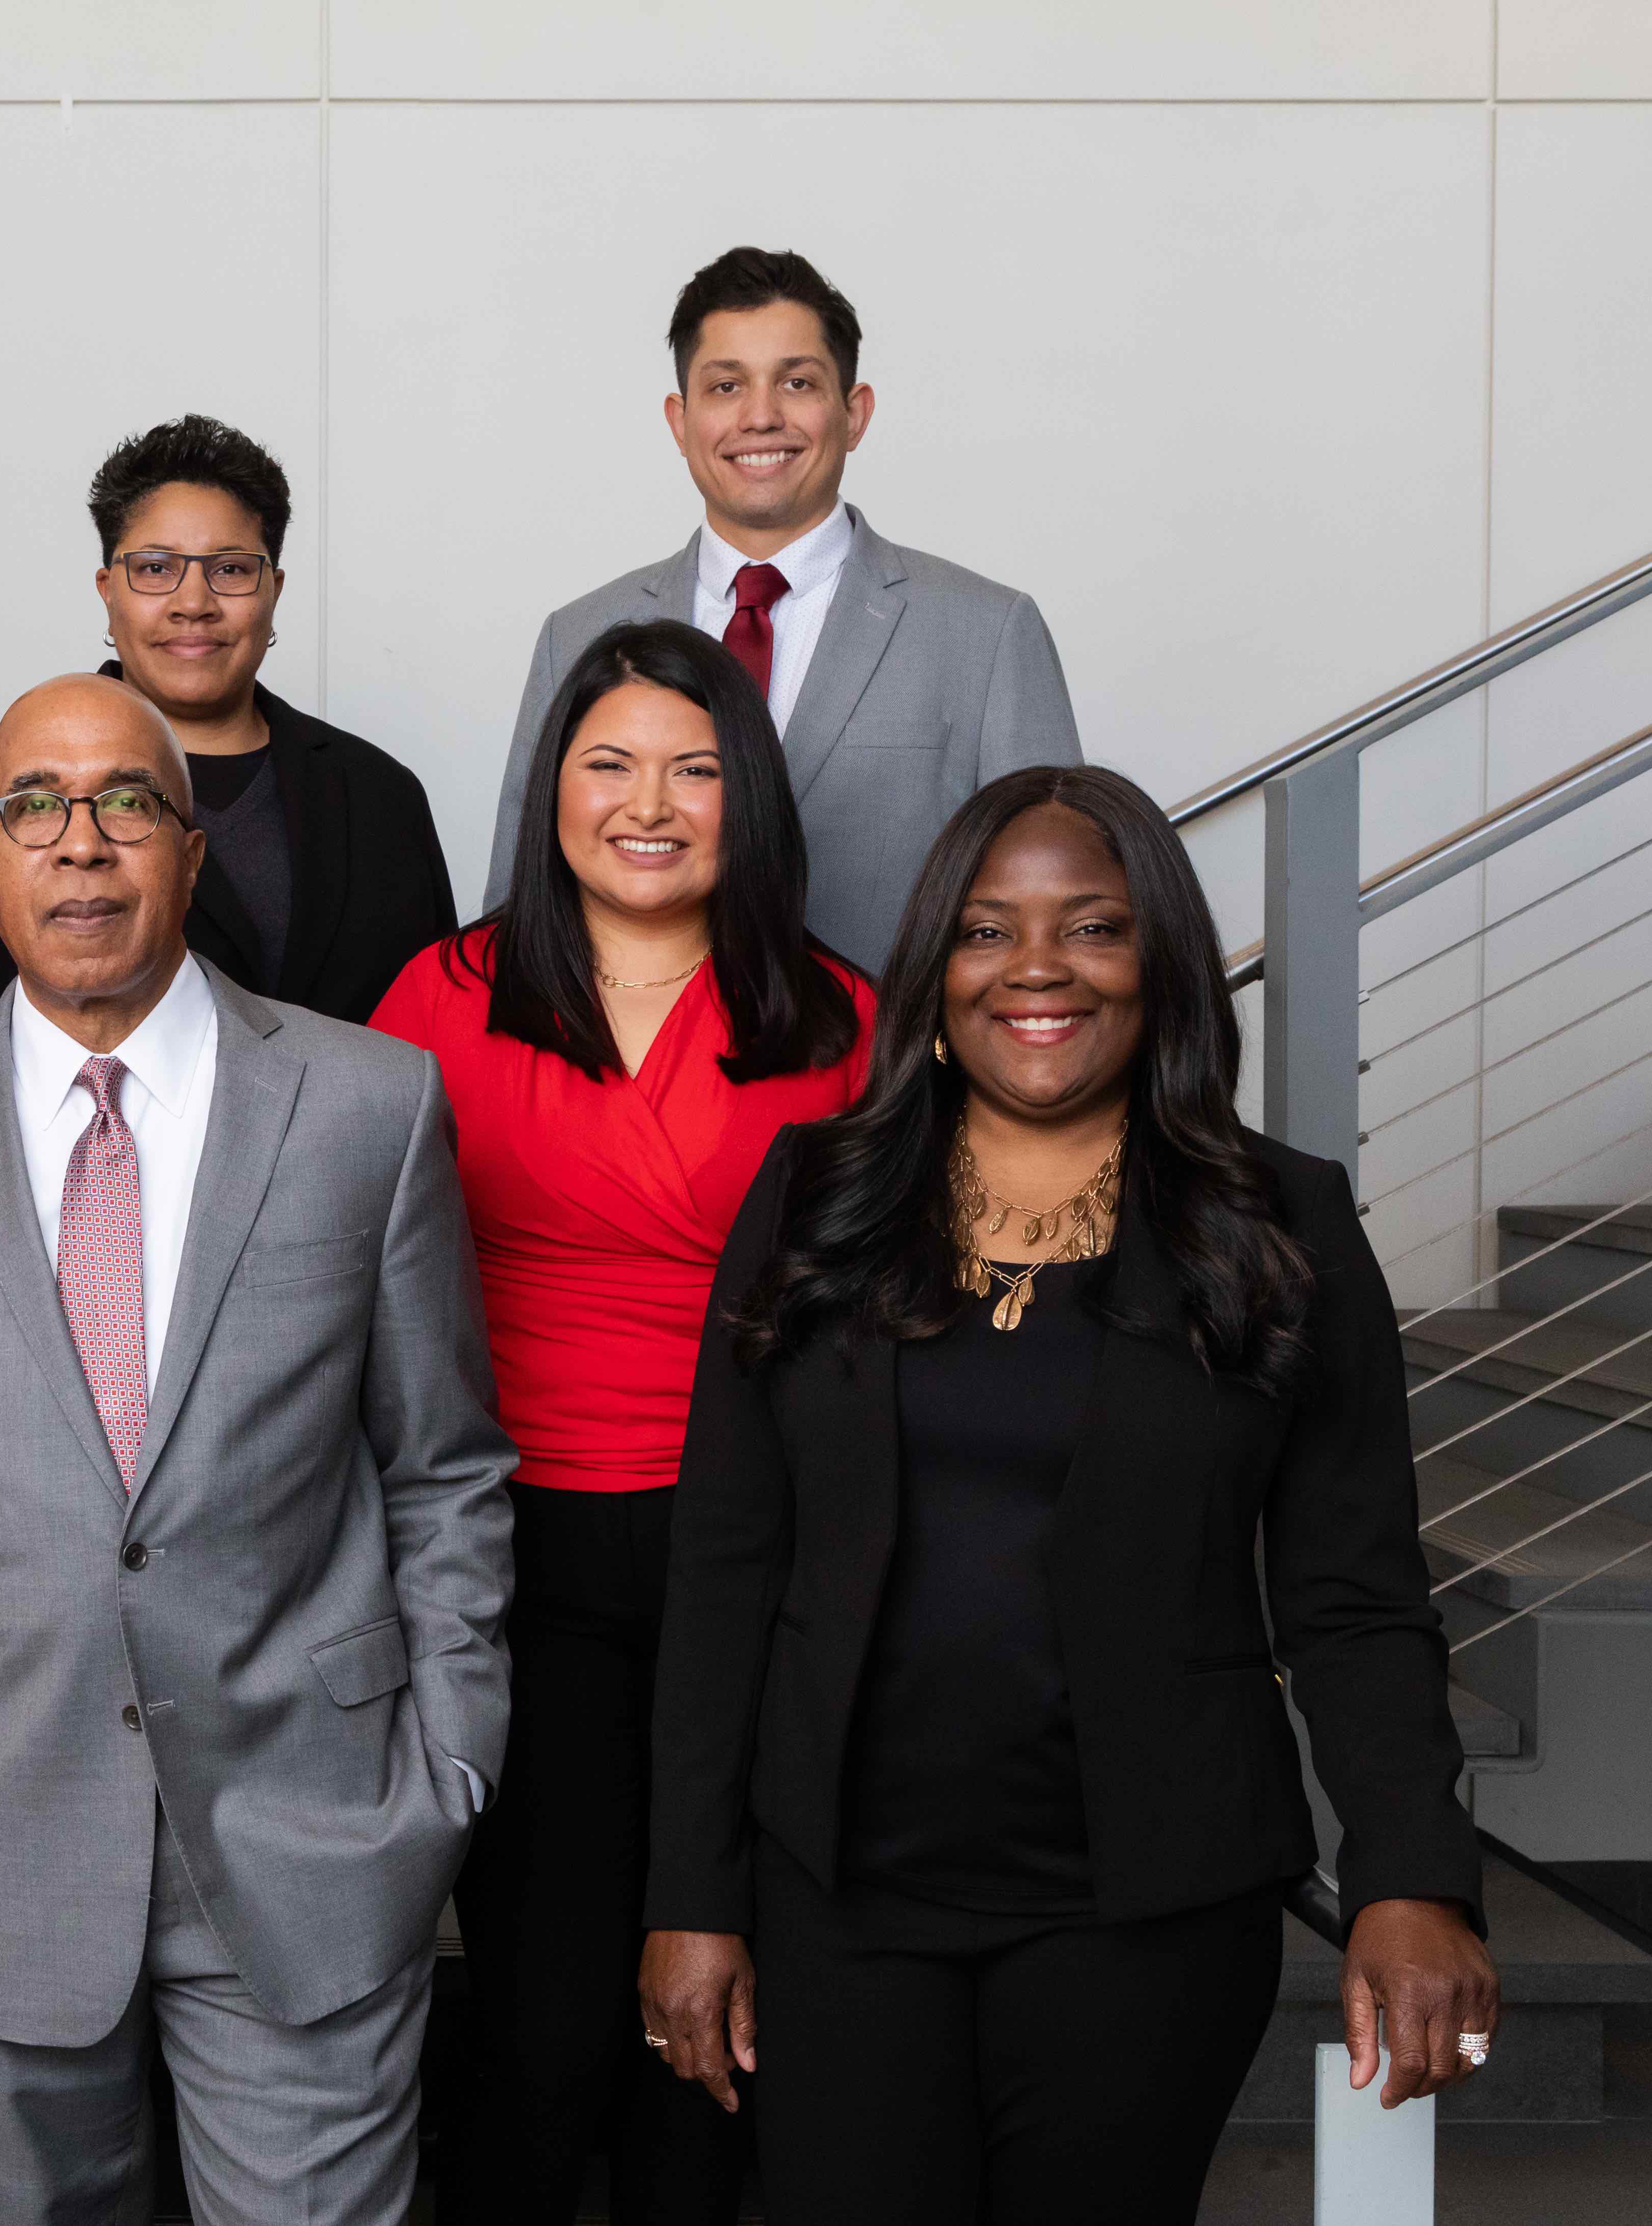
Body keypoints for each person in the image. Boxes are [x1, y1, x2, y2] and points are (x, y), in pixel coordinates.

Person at [638, 765, 1498, 2223]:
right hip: (837, 1898)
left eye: (1090, 928)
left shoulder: (1276, 1221)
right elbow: (725, 1568)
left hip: (1147, 1909)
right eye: (986, 931)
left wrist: (1410, 1875)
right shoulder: (815, 1194)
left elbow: (1352, 1594)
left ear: (1157, 961)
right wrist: (688, 1893)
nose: (1035, 968)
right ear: (934, 971)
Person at [0, 673, 516, 2223]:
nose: (80, 845)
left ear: (188, 850)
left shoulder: (367, 1105)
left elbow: (441, 1469)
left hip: (318, 1842)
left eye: (126, 806)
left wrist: (444, 1774)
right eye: (32, 808)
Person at [371, 618, 869, 2224]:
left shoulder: (842, 1018)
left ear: (751, 798)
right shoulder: (441, 996)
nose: (646, 801)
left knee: (732, 1979)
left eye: (694, 766)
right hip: (515, 1543)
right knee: (543, 1992)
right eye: (607, 763)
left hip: (772, 1548)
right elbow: (338, 1289)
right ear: (551, 787)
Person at [480, 248, 1082, 970]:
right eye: (726, 385)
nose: (760, 417)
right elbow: (516, 909)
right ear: (680, 421)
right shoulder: (579, 634)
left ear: (853, 414)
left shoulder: (986, 633)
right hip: (623, 1073)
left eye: (797, 382)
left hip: (895, 1074)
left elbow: (1055, 901)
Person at [0, 415, 456, 1043]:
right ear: (107, 591)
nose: (193, 602)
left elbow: (437, 1040)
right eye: (155, 569)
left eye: (230, 570)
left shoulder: (380, 797)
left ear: (274, 590)